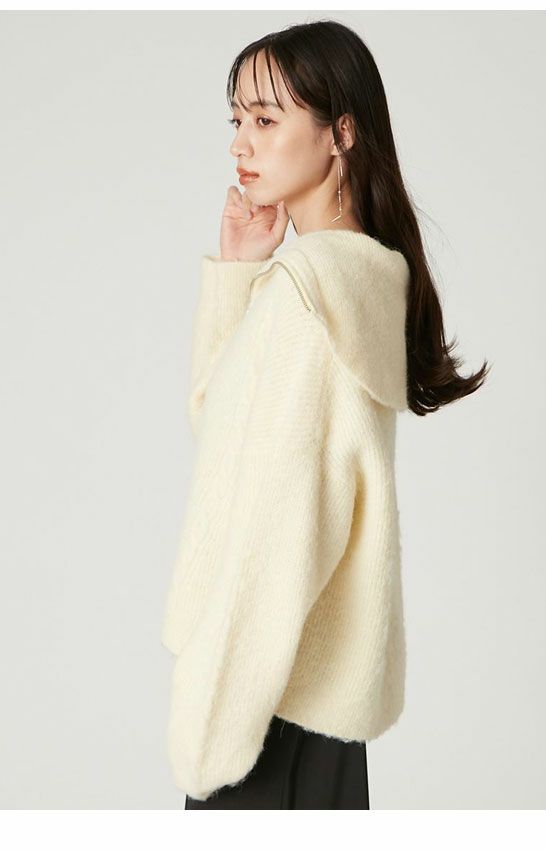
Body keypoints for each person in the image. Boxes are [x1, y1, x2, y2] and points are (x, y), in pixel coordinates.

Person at [161, 19, 490, 810]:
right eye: (237, 119)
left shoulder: (304, 298)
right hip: (318, 718)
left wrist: (211, 734)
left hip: (260, 716)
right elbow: (227, 438)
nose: (240, 143)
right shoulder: (361, 278)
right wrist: (239, 274)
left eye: (266, 119)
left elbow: (275, 534)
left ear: (341, 132)